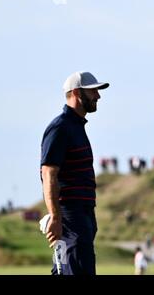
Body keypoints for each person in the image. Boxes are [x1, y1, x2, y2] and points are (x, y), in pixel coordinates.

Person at [40, 71, 109, 275]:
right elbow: (48, 174)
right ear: (77, 93)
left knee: (64, 271)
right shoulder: (60, 127)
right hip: (70, 216)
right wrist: (55, 216)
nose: (98, 96)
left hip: (81, 214)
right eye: (93, 91)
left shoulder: (76, 126)